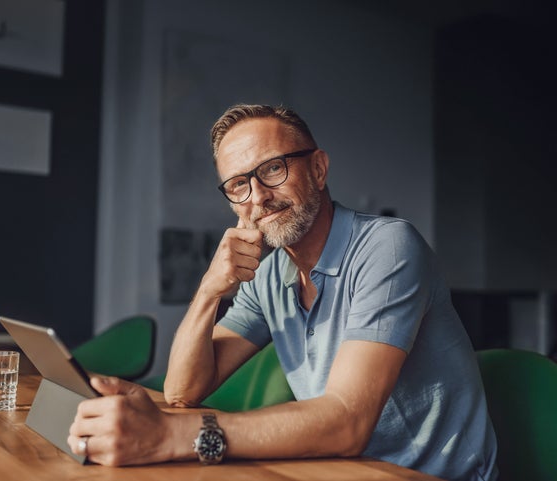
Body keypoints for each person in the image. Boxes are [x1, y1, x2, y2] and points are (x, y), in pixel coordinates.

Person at [68, 104, 498, 481]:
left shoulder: (387, 247)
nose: (258, 197)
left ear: (318, 168)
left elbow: (348, 420)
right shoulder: (272, 273)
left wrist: (173, 435)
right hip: (337, 469)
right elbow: (184, 391)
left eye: (273, 168)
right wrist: (208, 291)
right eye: (238, 184)